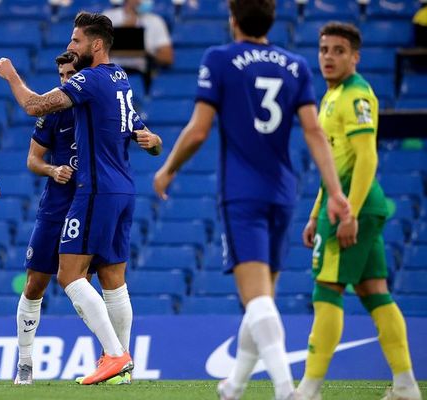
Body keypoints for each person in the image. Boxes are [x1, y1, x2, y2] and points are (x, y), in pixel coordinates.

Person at [152, 1, 350, 399]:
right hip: (283, 192)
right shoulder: (295, 65)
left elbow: (198, 130)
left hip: (243, 193)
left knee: (256, 300)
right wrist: (336, 191)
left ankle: (285, 390)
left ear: (233, 19)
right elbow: (313, 132)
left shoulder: (220, 58)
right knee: (263, 300)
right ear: (271, 20)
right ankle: (234, 385)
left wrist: (168, 166)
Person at [0, 12, 161, 385]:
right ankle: (122, 366)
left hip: (95, 189)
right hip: (123, 189)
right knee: (113, 278)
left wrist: (12, 77)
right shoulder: (120, 78)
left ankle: (116, 356)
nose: (70, 47)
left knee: (70, 276)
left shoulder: (90, 78)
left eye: (76, 41)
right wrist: (155, 141)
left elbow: (34, 106)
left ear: (95, 45)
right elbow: (139, 129)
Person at [296, 22, 422, 400]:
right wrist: (314, 211)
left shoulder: (356, 96)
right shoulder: (331, 96)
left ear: (355, 57)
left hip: (352, 209)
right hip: (346, 206)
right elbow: (333, 161)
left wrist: (347, 212)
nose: (329, 57)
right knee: (374, 292)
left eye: (338, 50)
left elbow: (367, 157)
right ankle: (405, 386)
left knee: (326, 291)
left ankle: (308, 390)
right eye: (324, 50)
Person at [103, 0, 173, 89]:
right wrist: (124, 33)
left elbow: (168, 57)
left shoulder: (156, 21)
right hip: (110, 73)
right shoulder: (108, 17)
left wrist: (146, 52)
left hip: (140, 75)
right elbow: (94, 50)